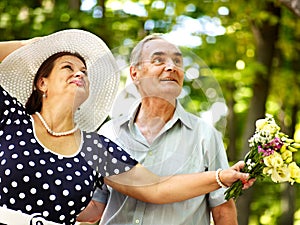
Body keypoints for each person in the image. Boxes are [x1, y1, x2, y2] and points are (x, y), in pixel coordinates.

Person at [0, 30, 253, 225]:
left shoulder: (95, 148)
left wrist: (220, 177)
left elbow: (156, 188)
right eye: (68, 67)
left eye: (84, 71)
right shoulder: (11, 119)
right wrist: (33, 45)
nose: (80, 74)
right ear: (42, 82)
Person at [76, 34, 253, 225]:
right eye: (158, 60)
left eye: (177, 61)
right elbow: (93, 210)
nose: (172, 67)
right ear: (135, 74)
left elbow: (223, 211)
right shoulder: (108, 134)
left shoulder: (205, 135)